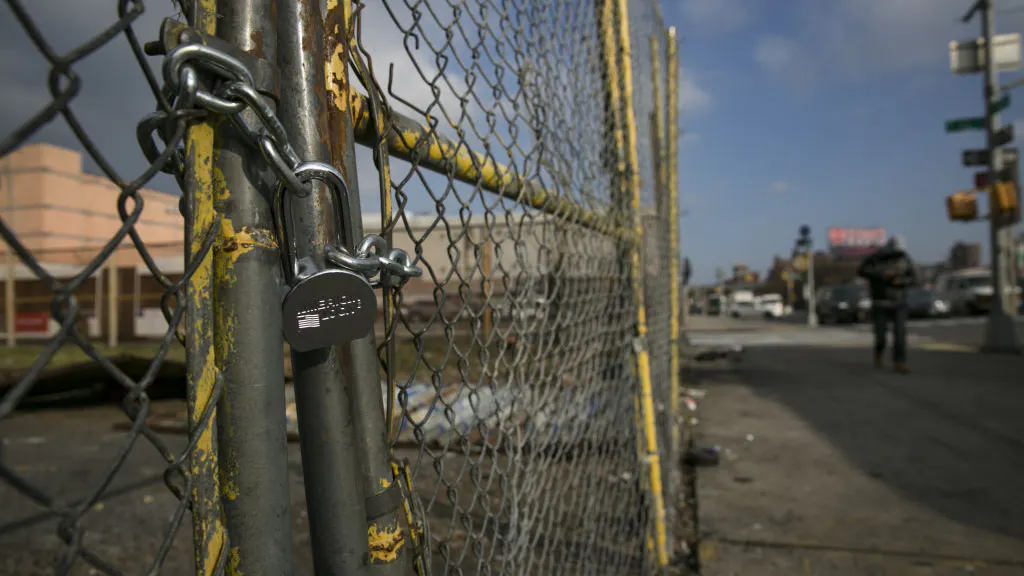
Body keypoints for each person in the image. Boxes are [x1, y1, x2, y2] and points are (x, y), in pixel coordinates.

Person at [857, 238, 918, 374]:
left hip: (899, 302)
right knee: (880, 336)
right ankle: (878, 353)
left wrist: (901, 281)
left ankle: (899, 362)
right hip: (880, 302)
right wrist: (882, 275)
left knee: (900, 334)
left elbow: (913, 278)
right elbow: (862, 270)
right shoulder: (876, 258)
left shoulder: (905, 260)